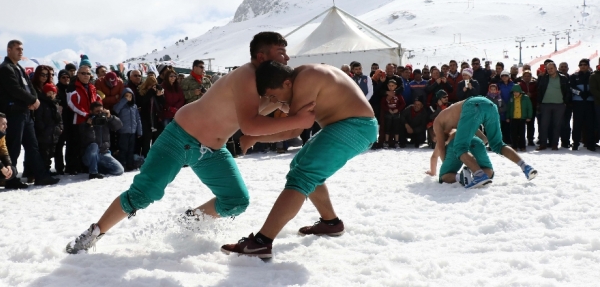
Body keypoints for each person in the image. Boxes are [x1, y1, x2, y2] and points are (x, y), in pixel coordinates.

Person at [65, 32, 315, 254]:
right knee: (143, 194)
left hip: (211, 151)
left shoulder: (262, 83)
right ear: (261, 56)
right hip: (179, 138)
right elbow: (249, 125)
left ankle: (189, 220)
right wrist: (298, 117)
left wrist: (285, 106)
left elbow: (255, 113)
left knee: (236, 201)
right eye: (281, 52)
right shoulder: (246, 76)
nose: (287, 58)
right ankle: (93, 233)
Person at [221, 61, 377, 258]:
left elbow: (294, 130)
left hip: (355, 127)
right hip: (350, 125)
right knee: (300, 167)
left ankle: (261, 242)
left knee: (302, 176)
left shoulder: (306, 78)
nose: (273, 100)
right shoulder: (302, 76)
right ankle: (331, 223)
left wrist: (255, 136)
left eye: (273, 95)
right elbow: (284, 112)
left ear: (287, 83)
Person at [427, 96, 538, 188]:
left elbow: (441, 148)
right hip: (489, 104)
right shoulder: (459, 120)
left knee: (459, 148)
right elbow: (484, 139)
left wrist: (448, 165)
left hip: (472, 106)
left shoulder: (437, 123)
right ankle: (525, 167)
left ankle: (479, 175)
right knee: (498, 144)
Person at [0, 40, 59, 188]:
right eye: (17, 49)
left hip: (25, 113)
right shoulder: (6, 68)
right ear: (9, 50)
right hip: (13, 113)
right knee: (14, 148)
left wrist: (35, 99)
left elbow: (29, 87)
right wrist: (32, 100)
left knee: (32, 146)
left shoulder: (18, 68)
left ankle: (41, 176)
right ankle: (11, 179)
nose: (21, 51)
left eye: (22, 49)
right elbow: (15, 89)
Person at [79, 102, 124, 179]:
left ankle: (98, 169)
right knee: (94, 145)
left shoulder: (106, 121)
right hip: (90, 155)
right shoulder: (85, 124)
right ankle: (93, 172)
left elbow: (119, 126)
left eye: (101, 111)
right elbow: (89, 141)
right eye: (97, 112)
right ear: (91, 111)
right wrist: (90, 127)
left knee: (119, 170)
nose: (99, 113)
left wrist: (110, 117)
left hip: (104, 153)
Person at [536, 62, 570, 151]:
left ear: (555, 68)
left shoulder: (563, 78)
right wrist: (539, 103)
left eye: (551, 68)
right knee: (544, 125)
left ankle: (554, 144)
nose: (550, 70)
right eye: (548, 69)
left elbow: (567, 91)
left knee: (557, 125)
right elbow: (539, 90)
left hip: (559, 105)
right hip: (545, 105)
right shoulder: (544, 78)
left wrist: (565, 102)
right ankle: (543, 144)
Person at [34, 83, 63, 173]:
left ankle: (47, 171)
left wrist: (60, 129)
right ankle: (43, 173)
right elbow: (38, 119)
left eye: (53, 92)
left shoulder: (55, 104)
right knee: (44, 155)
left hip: (54, 135)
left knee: (50, 154)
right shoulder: (41, 103)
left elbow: (59, 119)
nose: (52, 94)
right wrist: (43, 129)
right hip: (44, 135)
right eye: (49, 92)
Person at [569, 59, 595, 151]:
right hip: (578, 102)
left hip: (590, 102)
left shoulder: (592, 76)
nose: (583, 66)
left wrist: (590, 93)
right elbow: (571, 87)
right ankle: (575, 143)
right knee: (577, 123)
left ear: (588, 66)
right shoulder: (574, 76)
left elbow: (595, 87)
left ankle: (590, 143)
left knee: (590, 124)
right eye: (581, 65)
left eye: (585, 64)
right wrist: (580, 93)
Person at [114, 88, 142, 170]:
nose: (128, 97)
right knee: (123, 148)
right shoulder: (120, 105)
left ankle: (130, 164)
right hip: (123, 131)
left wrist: (139, 131)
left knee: (131, 149)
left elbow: (138, 119)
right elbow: (116, 110)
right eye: (126, 96)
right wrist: (124, 101)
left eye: (130, 96)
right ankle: (122, 164)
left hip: (132, 131)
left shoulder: (134, 106)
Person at [136, 75, 165, 155]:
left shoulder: (157, 92)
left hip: (156, 119)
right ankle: (145, 158)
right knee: (146, 141)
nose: (153, 87)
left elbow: (162, 104)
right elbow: (142, 103)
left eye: (154, 85)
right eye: (151, 85)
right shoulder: (142, 91)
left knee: (156, 141)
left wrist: (160, 96)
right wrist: (150, 92)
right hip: (145, 119)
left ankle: (154, 158)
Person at [506, 85, 533, 152]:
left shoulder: (525, 98)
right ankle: (514, 146)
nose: (515, 93)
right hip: (513, 118)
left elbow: (529, 108)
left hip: (522, 118)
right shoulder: (511, 98)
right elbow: (509, 108)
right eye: (514, 92)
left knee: (522, 133)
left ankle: (522, 146)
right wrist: (508, 116)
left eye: (517, 92)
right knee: (513, 133)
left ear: (520, 92)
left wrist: (529, 116)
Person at [380, 79, 405, 148]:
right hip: (388, 113)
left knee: (396, 128)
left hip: (396, 113)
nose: (391, 87)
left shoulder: (398, 95)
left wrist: (398, 109)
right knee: (387, 128)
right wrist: (388, 109)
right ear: (387, 86)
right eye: (389, 86)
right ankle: (386, 142)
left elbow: (403, 103)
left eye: (392, 86)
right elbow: (383, 104)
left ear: (396, 86)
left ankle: (397, 142)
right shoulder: (385, 96)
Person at [518, 70, 538, 146]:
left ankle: (530, 139)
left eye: (528, 76)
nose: (527, 77)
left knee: (531, 123)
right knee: (521, 124)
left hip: (532, 105)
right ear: (523, 77)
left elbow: (538, 92)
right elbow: (517, 92)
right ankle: (521, 138)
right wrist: (525, 94)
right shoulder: (520, 84)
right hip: (522, 106)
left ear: (531, 77)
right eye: (525, 76)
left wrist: (532, 94)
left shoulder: (534, 84)